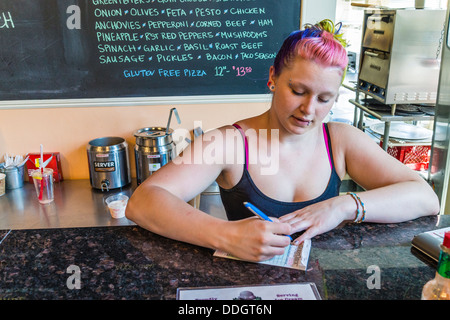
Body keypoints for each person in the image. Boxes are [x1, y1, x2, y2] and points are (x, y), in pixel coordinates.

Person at [126, 20, 440, 262]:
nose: (309, 109)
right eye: (299, 91)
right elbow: (143, 201)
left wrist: (343, 206)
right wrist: (224, 234)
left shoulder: (341, 141)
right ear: (273, 77)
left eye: (324, 99)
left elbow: (425, 197)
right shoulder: (229, 142)